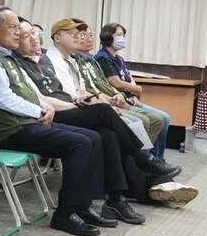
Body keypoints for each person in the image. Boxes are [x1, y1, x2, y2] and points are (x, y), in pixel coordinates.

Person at [12, 21, 181, 224]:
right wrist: (76, 104)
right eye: (27, 35)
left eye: (35, 33)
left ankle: (116, 200)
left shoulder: (45, 61)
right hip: (56, 113)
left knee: (110, 136)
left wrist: (82, 99)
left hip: (71, 106)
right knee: (105, 113)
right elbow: (41, 99)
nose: (35, 38)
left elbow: (71, 91)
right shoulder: (20, 64)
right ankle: (145, 163)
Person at [0, 6, 111, 236]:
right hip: (10, 130)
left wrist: (46, 106)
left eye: (18, 27)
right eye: (12, 27)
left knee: (94, 137)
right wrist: (39, 110)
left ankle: (81, 207)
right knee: (80, 143)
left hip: (28, 123)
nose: (18, 32)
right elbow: (1, 98)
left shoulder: (8, 57)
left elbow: (29, 93)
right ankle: (65, 214)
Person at [46, 20, 165, 159]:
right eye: (74, 34)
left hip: (96, 101)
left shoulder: (77, 60)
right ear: (57, 38)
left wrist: (117, 96)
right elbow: (73, 94)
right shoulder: (55, 60)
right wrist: (107, 102)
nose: (80, 37)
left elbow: (86, 89)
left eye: (84, 34)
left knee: (113, 133)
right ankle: (142, 159)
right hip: (68, 108)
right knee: (129, 120)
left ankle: (142, 161)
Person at [94, 23, 173, 160]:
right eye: (118, 35)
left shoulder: (119, 59)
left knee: (165, 118)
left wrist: (135, 91)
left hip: (131, 98)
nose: (122, 38)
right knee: (157, 119)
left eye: (123, 35)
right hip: (119, 100)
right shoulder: (102, 57)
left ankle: (157, 158)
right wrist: (137, 90)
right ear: (108, 36)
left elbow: (130, 79)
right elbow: (116, 83)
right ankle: (145, 159)